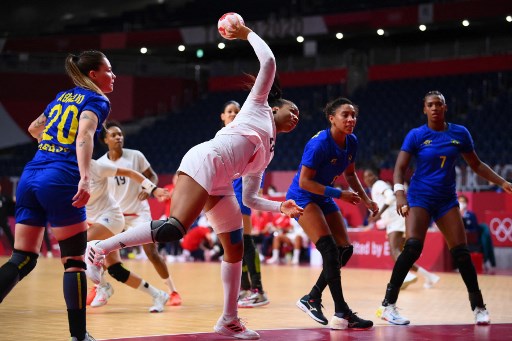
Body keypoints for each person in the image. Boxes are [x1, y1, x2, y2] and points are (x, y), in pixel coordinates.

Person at [85, 20, 302, 340]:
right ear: (276, 106)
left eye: (298, 115)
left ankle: (230, 319)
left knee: (235, 246)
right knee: (174, 227)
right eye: (291, 110)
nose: (295, 117)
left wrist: (280, 206)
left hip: (222, 182)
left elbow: (251, 199)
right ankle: (100, 248)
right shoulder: (257, 106)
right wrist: (245, 34)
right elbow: (268, 62)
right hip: (205, 161)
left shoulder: (269, 152)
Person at [0, 50, 113, 341]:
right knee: (74, 262)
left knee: (22, 258)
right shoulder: (97, 99)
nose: (112, 75)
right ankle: (79, 336)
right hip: (60, 178)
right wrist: (85, 178)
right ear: (93, 75)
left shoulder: (61, 97)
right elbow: (85, 135)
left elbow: (34, 128)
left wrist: (52, 145)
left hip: (31, 175)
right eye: (108, 70)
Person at [376, 90, 512, 326]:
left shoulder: (459, 133)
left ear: (445, 107)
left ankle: (479, 307)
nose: (435, 108)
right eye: (430, 105)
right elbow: (400, 168)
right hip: (419, 198)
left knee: (461, 253)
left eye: (439, 104)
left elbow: (476, 164)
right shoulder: (417, 135)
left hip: (447, 199)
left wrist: (501, 181)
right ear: (424, 109)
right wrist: (400, 195)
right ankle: (388, 305)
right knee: (412, 248)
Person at [288, 97, 378, 330]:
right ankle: (342, 312)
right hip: (303, 196)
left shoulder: (352, 141)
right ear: (331, 118)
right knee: (328, 249)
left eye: (353, 115)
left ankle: (312, 297)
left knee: (344, 250)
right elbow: (306, 182)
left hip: (324, 196)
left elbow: (350, 174)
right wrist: (340, 195)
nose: (350, 119)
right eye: (345, 115)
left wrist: (366, 199)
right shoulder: (319, 144)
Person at [97, 121, 182, 307]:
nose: (119, 137)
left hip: (138, 213)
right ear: (105, 140)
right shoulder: (100, 164)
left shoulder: (135, 156)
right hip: (115, 216)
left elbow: (152, 176)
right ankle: (99, 288)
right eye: (114, 135)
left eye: (120, 134)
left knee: (151, 252)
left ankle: (172, 291)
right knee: (99, 252)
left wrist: (149, 189)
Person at [85, 159, 172, 312]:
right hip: (92, 220)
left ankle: (102, 286)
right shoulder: (65, 171)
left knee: (79, 244)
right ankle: (158, 294)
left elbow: (131, 173)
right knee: (115, 270)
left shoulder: (96, 166)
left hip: (110, 217)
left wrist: (153, 189)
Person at [219, 99, 270, 308]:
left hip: (241, 195)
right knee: (233, 245)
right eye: (229, 111)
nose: (232, 114)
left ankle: (258, 290)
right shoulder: (221, 138)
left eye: (236, 111)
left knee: (246, 242)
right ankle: (245, 288)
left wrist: (255, 192)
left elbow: (260, 164)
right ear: (222, 116)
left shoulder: (246, 137)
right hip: (224, 197)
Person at [363, 167, 440, 289]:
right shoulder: (374, 189)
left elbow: (391, 197)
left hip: (396, 219)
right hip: (393, 221)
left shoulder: (379, 184)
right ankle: (429, 277)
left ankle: (407, 275)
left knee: (394, 250)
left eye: (370, 175)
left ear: (376, 176)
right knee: (402, 256)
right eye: (365, 177)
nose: (368, 178)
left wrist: (378, 215)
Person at [458, 194, 496, 272]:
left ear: (467, 203)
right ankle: (459, 266)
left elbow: (475, 229)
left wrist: (468, 231)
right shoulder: (456, 215)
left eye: (463, 202)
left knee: (482, 240)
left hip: (472, 239)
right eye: (460, 202)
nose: (461, 203)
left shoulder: (471, 214)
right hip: (460, 238)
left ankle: (485, 261)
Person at [0, 184, 15, 249]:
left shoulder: (4, 197)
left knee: (9, 235)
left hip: (3, 220)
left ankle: (15, 251)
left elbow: (14, 199)